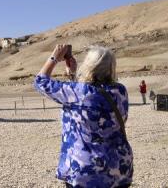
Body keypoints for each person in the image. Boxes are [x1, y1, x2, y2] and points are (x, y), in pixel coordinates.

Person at [34, 44, 133, 188]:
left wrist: (54, 57)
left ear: (89, 66)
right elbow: (89, 97)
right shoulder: (120, 91)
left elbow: (40, 82)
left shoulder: (77, 92)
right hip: (119, 168)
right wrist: (73, 75)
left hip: (86, 171)